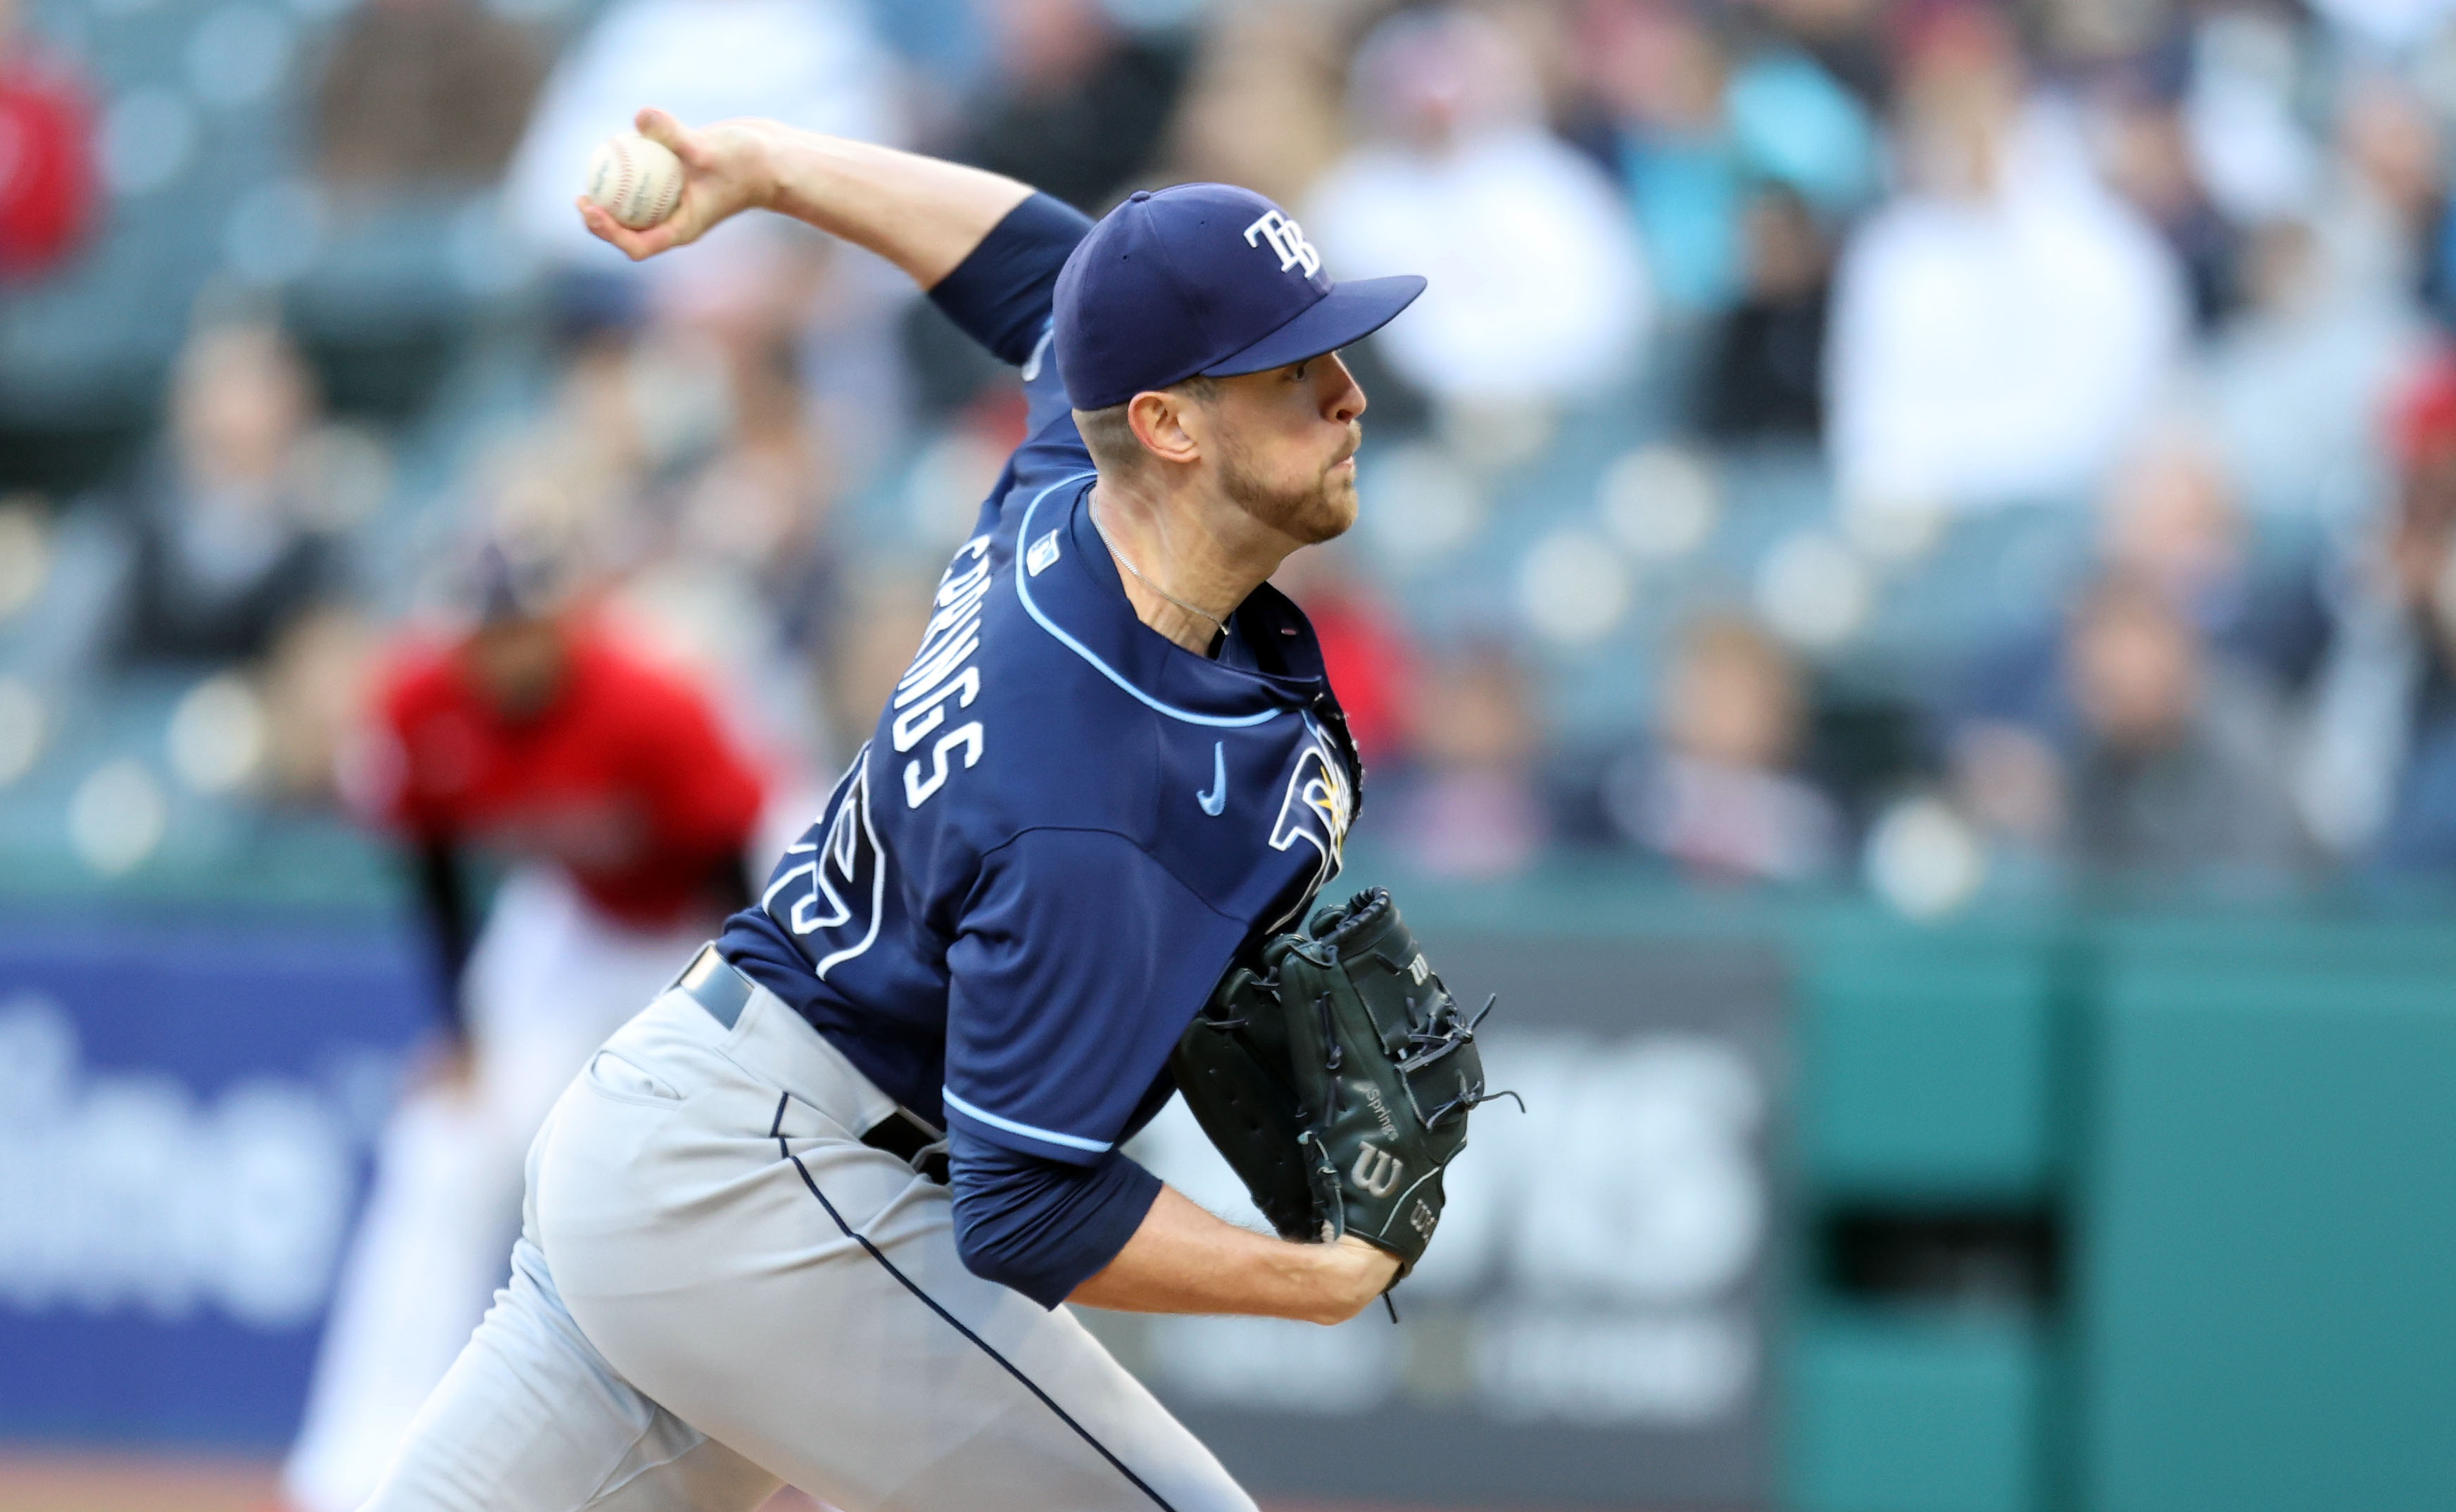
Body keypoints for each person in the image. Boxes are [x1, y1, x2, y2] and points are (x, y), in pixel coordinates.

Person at [365, 109, 1425, 1511]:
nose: (1348, 392)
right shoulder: (1084, 795)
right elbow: (1026, 1208)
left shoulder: (1081, 484)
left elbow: (1041, 270)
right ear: (1171, 427)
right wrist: (1314, 1282)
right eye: (1292, 370)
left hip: (680, 1135)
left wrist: (772, 168)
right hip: (779, 1182)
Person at [286, 557, 766, 1512]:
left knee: (745, 1171)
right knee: (447, 1150)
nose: (505, 652)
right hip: (571, 924)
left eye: (523, 627)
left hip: (707, 923)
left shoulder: (649, 701)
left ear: (562, 623)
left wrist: (756, 1031)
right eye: (487, 633)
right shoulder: (422, 699)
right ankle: (355, 1466)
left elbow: (735, 868)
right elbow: (430, 863)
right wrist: (462, 1031)